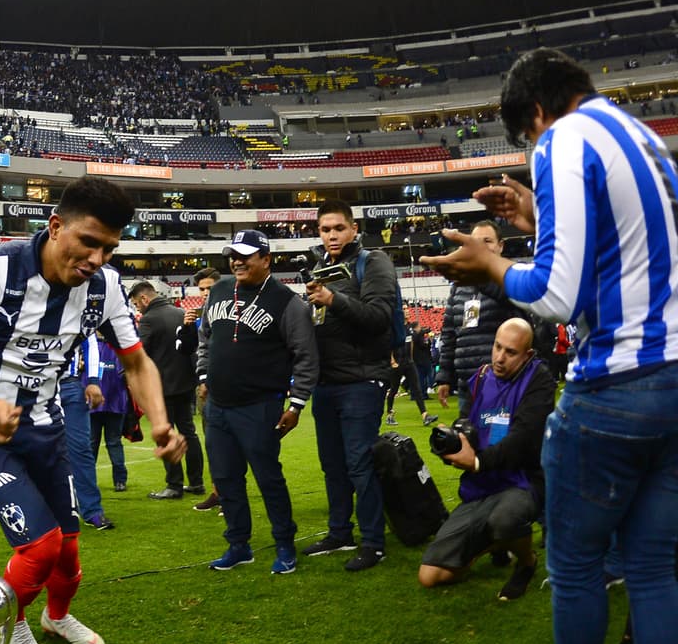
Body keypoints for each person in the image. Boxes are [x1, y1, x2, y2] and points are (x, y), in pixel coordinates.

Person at [421, 47, 678, 644]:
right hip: (672, 381)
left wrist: (492, 267)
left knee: (574, 566)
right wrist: (539, 217)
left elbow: (559, 296)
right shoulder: (643, 140)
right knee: (657, 574)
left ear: (535, 113)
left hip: (615, 387)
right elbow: (629, 261)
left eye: (526, 137)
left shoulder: (563, 139)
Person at [0, 177, 184, 644]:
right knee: (38, 546)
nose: (97, 259)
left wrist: (161, 423)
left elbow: (136, 362)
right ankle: (11, 623)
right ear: (56, 226)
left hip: (45, 424)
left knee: (67, 548)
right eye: (89, 242)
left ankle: (56, 617)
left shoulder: (105, 287)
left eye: (109, 248)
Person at [196, 230, 318, 574]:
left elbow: (305, 356)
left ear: (266, 259)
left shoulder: (286, 301)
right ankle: (238, 544)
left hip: (260, 405)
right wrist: (204, 377)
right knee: (226, 477)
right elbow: (205, 340)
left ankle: (284, 544)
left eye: (246, 255)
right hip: (218, 405)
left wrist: (296, 405)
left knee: (268, 478)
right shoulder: (218, 290)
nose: (237, 261)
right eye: (233, 254)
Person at [417, 319, 555, 601]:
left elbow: (522, 442)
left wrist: (476, 462)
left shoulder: (539, 380)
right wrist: (455, 443)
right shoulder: (481, 377)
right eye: (497, 347)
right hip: (482, 486)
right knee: (430, 575)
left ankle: (526, 561)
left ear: (527, 355)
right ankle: (495, 543)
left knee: (505, 519)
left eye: (510, 352)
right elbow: (468, 425)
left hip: (521, 482)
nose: (500, 358)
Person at [301, 199, 395, 572]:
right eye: (325, 229)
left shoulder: (373, 262)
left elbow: (379, 317)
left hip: (362, 379)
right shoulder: (320, 266)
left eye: (338, 228)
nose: (332, 235)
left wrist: (332, 299)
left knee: (359, 464)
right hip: (326, 382)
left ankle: (374, 541)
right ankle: (340, 532)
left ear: (354, 229)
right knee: (333, 465)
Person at [433, 221, 524, 415]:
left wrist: (481, 276)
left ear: (500, 246)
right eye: (476, 242)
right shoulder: (459, 285)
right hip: (467, 383)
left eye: (487, 241)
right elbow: (449, 333)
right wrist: (444, 376)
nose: (481, 247)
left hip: (502, 382)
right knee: (468, 441)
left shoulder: (513, 276)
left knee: (498, 441)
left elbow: (516, 304)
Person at [129, 281, 204, 500]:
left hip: (163, 386)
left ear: (144, 299)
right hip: (185, 383)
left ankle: (174, 485)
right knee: (189, 432)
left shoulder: (149, 319)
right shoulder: (180, 312)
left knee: (166, 435)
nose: (137, 309)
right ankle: (196, 482)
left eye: (136, 304)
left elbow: (139, 356)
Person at [180, 267, 224, 511]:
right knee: (213, 442)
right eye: (202, 289)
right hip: (204, 386)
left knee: (231, 444)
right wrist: (187, 329)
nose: (206, 293)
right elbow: (187, 350)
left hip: (227, 386)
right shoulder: (199, 316)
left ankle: (230, 494)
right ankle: (218, 491)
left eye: (210, 288)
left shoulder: (230, 310)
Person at [60, 337, 114, 530]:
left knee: (81, 449)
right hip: (37, 387)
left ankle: (92, 510)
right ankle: (44, 510)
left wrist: (93, 380)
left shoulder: (77, 310)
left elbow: (90, 342)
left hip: (70, 384)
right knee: (37, 448)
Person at [87, 334, 129, 493]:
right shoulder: (94, 345)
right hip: (98, 404)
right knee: (96, 444)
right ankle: (92, 481)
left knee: (111, 442)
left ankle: (119, 480)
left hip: (111, 403)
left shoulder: (115, 345)